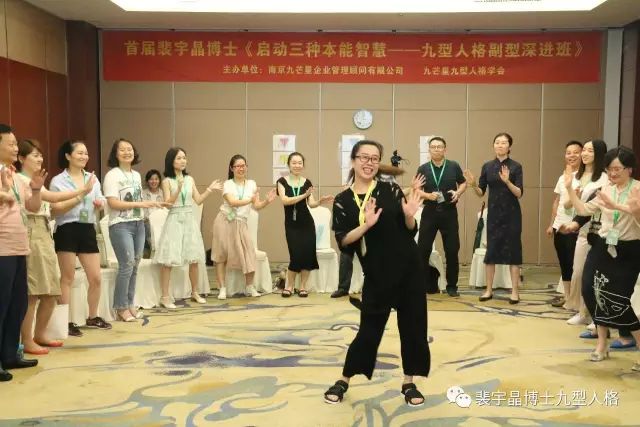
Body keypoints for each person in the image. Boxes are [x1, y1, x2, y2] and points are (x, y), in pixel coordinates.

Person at [323, 140, 431, 407]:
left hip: (409, 268)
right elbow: (344, 240)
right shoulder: (343, 200)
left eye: (374, 158)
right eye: (364, 157)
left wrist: (409, 215)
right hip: (377, 273)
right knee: (369, 330)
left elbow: (409, 229)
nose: (369, 163)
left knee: (413, 327)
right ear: (353, 161)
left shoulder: (390, 189)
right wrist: (366, 225)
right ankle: (344, 379)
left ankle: (409, 382)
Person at [15, 139, 96, 354]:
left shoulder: (36, 181)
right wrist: (82, 191)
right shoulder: (20, 179)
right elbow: (49, 199)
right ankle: (27, 339)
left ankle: (40, 334)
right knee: (33, 292)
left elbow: (51, 206)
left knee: (51, 291)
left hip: (44, 231)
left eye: (40, 155)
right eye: (34, 155)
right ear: (21, 158)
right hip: (31, 231)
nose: (40, 159)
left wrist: (82, 194)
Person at [564, 146, 640, 371]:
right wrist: (569, 190)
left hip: (629, 250)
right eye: (609, 169)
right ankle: (601, 344)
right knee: (590, 289)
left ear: (629, 169)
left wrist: (621, 207)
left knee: (618, 300)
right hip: (604, 246)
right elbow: (583, 210)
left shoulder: (637, 189)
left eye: (617, 169)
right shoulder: (605, 189)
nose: (613, 173)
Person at [50, 140, 110, 336]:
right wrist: (79, 196)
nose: (84, 156)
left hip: (87, 228)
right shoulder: (58, 181)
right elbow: (55, 209)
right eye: (80, 153)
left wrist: (100, 203)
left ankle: (92, 316)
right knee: (67, 277)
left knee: (96, 277)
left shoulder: (92, 178)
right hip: (67, 228)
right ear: (68, 156)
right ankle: (65, 322)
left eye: (86, 153)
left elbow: (101, 198)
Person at [103, 139, 167, 321]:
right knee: (127, 265)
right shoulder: (112, 175)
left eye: (130, 149)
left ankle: (130, 303)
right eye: (122, 150)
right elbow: (113, 203)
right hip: (120, 225)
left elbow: (137, 202)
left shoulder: (137, 175)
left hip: (138, 224)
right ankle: (120, 307)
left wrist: (147, 205)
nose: (127, 152)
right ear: (116, 154)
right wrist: (141, 204)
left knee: (135, 266)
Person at [0, 124, 44, 381]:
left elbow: (34, 207)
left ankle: (9, 355)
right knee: (1, 303)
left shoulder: (16, 176)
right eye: (11, 144)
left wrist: (36, 188)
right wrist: (4, 192)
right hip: (2, 247)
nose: (16, 148)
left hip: (18, 246)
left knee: (17, 304)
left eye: (16, 144)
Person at [153, 147, 222, 309]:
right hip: (174, 219)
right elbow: (168, 204)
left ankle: (195, 292)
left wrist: (209, 189)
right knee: (168, 260)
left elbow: (198, 200)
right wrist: (178, 189)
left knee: (193, 258)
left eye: (184, 157)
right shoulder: (166, 181)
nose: (182, 161)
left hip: (189, 219)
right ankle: (165, 296)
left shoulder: (189, 179)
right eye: (179, 158)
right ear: (171, 161)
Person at [464, 132, 524, 303]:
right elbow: (480, 192)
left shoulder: (516, 166)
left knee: (513, 252)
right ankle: (488, 290)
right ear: (493, 146)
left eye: (504, 142)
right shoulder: (488, 166)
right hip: (494, 214)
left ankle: (514, 292)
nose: (500, 145)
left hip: (512, 214)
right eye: (497, 142)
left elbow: (519, 193)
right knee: (491, 252)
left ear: (509, 146)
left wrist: (507, 181)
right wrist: (473, 184)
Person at [212, 154, 276, 300]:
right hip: (225, 221)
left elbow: (257, 206)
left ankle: (249, 287)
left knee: (249, 253)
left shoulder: (252, 184)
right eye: (238, 166)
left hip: (241, 223)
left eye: (243, 166)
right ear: (231, 168)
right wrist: (250, 199)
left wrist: (266, 201)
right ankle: (222, 288)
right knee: (221, 256)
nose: (241, 169)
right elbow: (232, 202)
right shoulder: (228, 184)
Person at [559, 139, 608, 325]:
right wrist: (573, 194)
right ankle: (582, 311)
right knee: (578, 272)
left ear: (599, 154)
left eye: (590, 150)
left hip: (600, 232)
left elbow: (594, 208)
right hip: (581, 230)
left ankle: (597, 317)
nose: (584, 154)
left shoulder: (604, 178)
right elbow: (567, 205)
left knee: (597, 276)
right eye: (584, 150)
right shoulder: (575, 176)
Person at [414, 136, 466, 297]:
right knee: (423, 250)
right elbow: (416, 189)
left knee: (452, 250)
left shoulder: (453, 166)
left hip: (449, 213)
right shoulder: (423, 168)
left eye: (439, 147)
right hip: (429, 213)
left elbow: (463, 183)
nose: (436, 149)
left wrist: (458, 192)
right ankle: (421, 285)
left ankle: (452, 286)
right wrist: (428, 196)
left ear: (445, 149)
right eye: (433, 147)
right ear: (429, 150)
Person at [276, 152, 333, 297]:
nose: (297, 165)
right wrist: (304, 195)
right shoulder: (281, 182)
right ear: (289, 165)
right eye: (294, 163)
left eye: (300, 163)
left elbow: (311, 204)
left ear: (303, 165)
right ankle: (289, 286)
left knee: (307, 255)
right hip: (292, 225)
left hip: (307, 224)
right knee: (295, 255)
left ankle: (302, 286)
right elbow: (285, 200)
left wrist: (320, 201)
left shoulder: (307, 182)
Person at [544, 141, 582, 309]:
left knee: (575, 265)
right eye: (568, 152)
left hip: (574, 226)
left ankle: (577, 299)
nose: (571, 155)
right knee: (564, 263)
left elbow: (572, 203)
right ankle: (568, 298)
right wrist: (551, 224)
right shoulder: (562, 177)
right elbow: (557, 202)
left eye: (575, 152)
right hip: (559, 226)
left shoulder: (584, 178)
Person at [141, 169, 164, 258]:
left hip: (161, 222)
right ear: (147, 181)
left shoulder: (163, 193)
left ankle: (154, 251)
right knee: (146, 225)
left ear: (159, 180)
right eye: (151, 179)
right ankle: (152, 250)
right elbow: (141, 210)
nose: (154, 181)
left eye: (156, 179)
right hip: (147, 221)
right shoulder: (143, 193)